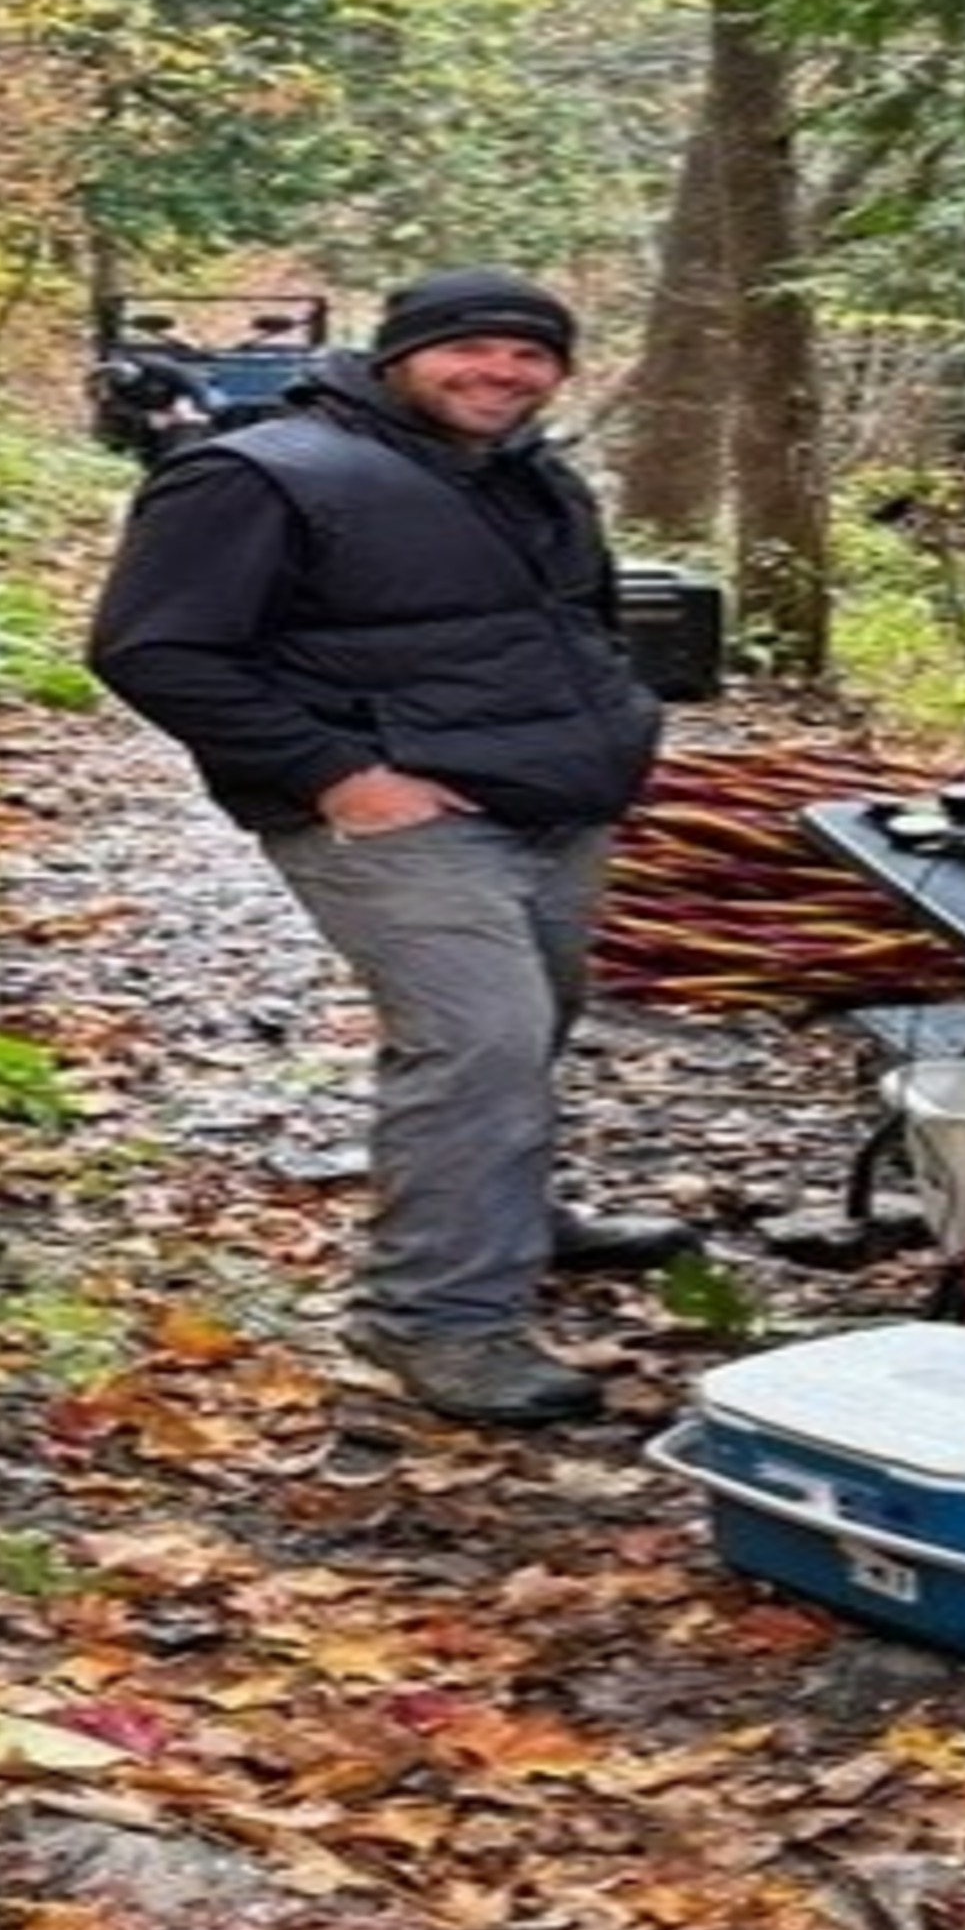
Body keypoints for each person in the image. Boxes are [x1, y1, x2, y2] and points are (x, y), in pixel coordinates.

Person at [84, 267, 689, 1425]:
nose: (502, 373)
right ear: (400, 353)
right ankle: (437, 1320)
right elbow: (155, 651)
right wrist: (337, 776)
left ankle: (507, 1217)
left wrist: (616, 731)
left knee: (531, 1027)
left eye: (532, 356)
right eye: (472, 349)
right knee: (478, 1042)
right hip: (397, 817)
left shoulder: (529, 474)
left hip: (551, 804)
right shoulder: (259, 474)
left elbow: (580, 622)